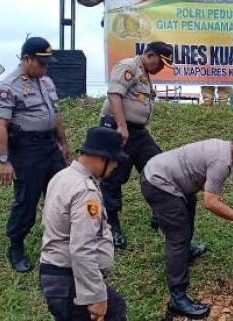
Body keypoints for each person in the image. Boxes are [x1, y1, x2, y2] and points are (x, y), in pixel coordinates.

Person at [140, 131, 233, 319]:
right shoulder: (222, 161)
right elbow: (211, 202)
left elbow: (206, 186)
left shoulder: (222, 149)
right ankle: (177, 299)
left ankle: (184, 252)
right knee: (178, 237)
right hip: (158, 182)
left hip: (171, 180)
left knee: (188, 211)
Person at [0, 37, 71, 273]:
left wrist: (63, 144)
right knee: (26, 201)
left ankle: (60, 241)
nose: (45, 67)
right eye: (41, 62)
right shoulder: (9, 86)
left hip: (50, 147)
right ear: (26, 59)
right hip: (27, 150)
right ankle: (16, 245)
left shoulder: (45, 81)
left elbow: (54, 115)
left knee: (60, 195)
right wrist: (4, 161)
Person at [40, 127, 127, 321]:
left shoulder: (62, 176)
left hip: (57, 277)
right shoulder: (85, 191)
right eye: (113, 163)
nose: (114, 169)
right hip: (68, 278)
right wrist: (95, 297)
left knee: (117, 306)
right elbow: (82, 247)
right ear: (102, 158)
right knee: (116, 312)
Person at [99, 41, 173, 250]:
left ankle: (160, 213)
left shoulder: (144, 72)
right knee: (113, 177)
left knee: (158, 168)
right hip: (119, 130)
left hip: (139, 133)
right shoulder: (128, 66)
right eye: (160, 63)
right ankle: (111, 226)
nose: (161, 68)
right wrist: (121, 126)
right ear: (150, 55)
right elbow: (114, 94)